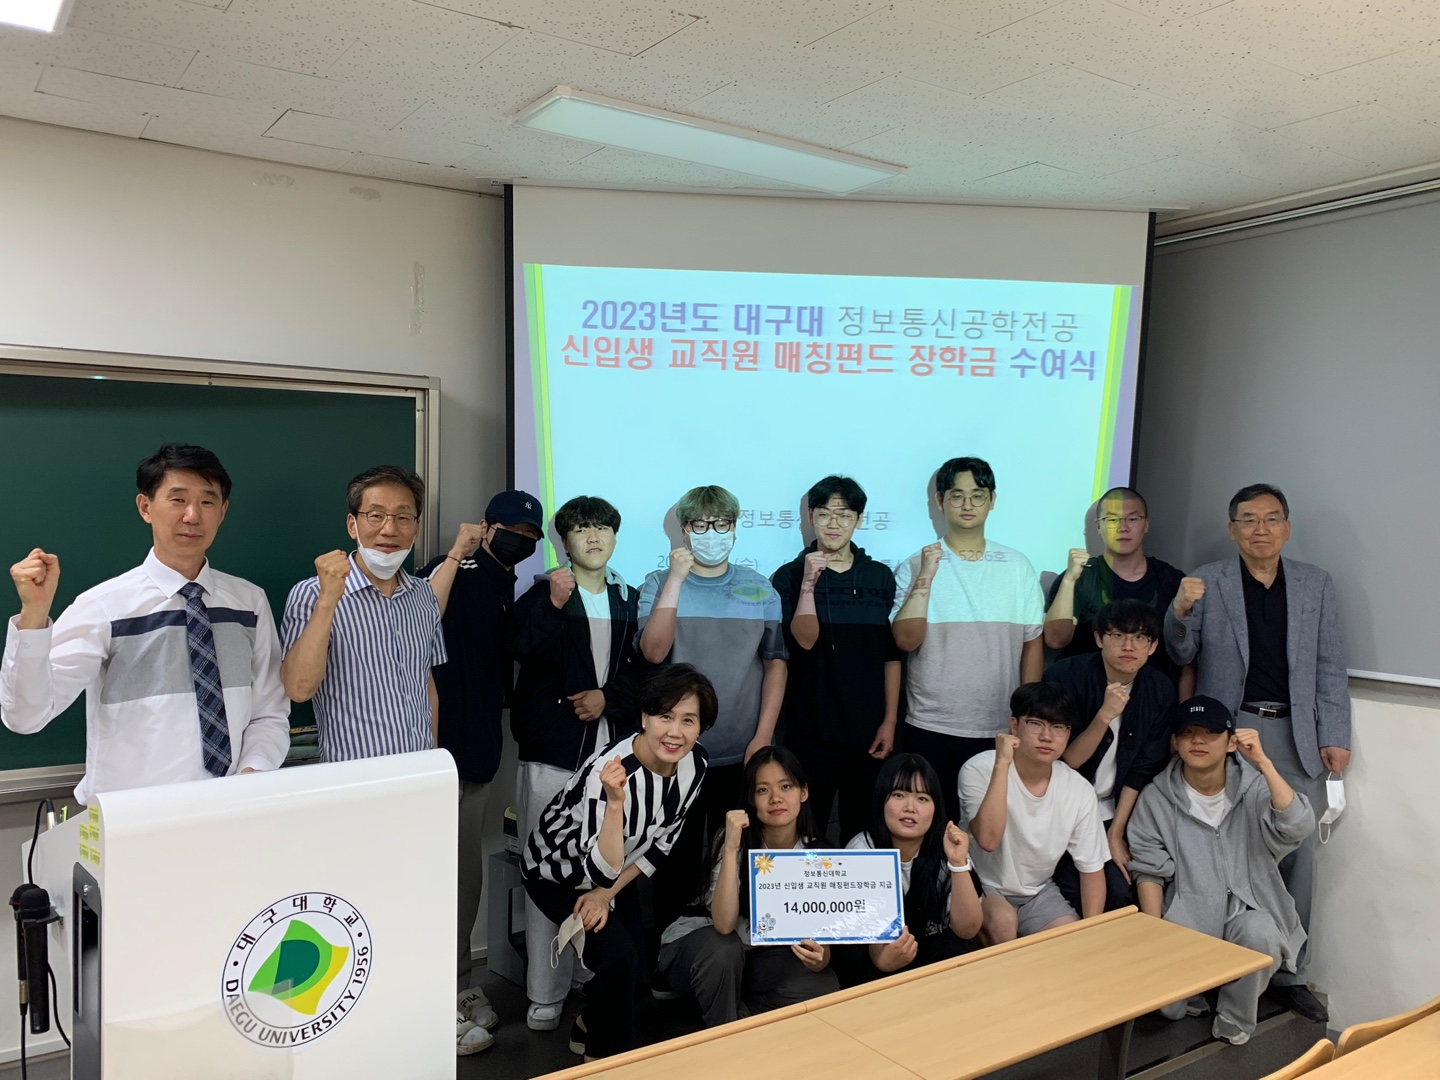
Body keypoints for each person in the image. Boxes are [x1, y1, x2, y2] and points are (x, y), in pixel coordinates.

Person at [2, 444, 289, 803]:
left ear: (222, 512)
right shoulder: (104, 606)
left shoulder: (248, 603)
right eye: (177, 499)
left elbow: (269, 714)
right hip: (134, 818)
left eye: (207, 501)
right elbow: (26, 716)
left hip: (231, 809)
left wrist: (253, 773)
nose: (192, 516)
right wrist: (33, 616)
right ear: (145, 507)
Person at [1163, 483, 1346, 1024]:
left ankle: (1290, 975)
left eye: (1271, 519)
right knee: (1219, 847)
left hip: (1294, 733)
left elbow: (1330, 665)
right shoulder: (1209, 579)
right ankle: (1218, 968)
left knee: (1299, 852)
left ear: (1287, 527)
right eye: (1248, 519)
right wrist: (1178, 609)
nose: (1260, 529)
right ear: (1232, 529)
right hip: (1230, 728)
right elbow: (1180, 650)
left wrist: (1335, 733)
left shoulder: (1315, 584)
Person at [522, 664, 714, 1062]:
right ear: (644, 717)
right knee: (618, 959)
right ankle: (604, 1060)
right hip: (557, 872)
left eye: (688, 720)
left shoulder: (696, 765)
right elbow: (598, 869)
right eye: (664, 716)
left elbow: (661, 846)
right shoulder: (608, 772)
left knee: (639, 973)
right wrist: (614, 804)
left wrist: (605, 895)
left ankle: (587, 1024)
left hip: (613, 873)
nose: (675, 732)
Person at [418, 488, 544, 1054]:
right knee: (435, 877)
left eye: (531, 536)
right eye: (512, 531)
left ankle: (457, 985)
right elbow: (419, 622)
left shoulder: (508, 586)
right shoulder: (450, 571)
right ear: (487, 526)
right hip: (430, 754)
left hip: (479, 752)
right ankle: (435, 996)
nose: (522, 542)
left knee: (465, 876)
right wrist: (454, 555)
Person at [509, 495, 640, 1034]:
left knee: (600, 871)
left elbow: (646, 671)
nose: (593, 537)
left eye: (602, 528)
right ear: (564, 541)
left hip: (613, 756)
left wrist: (609, 699)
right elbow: (520, 651)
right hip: (554, 753)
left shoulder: (629, 597)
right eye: (581, 529)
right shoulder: (543, 592)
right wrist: (554, 605)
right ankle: (545, 991)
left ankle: (589, 974)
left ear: (614, 537)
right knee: (547, 871)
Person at [637, 485, 786, 934]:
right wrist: (676, 580)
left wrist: (763, 737)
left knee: (735, 860)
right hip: (675, 754)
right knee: (672, 864)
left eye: (722, 524)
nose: (712, 533)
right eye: (700, 525)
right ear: (685, 530)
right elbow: (653, 651)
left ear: (735, 529)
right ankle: (668, 953)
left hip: (740, 753)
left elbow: (775, 664)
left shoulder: (760, 588)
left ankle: (737, 951)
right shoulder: (657, 584)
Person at [1128, 698, 1316, 1046]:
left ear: (1231, 743)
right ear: (1175, 742)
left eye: (1211, 733)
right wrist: (1154, 937)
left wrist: (1264, 763)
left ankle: (1233, 1017)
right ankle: (1194, 994)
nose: (1198, 741)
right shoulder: (1156, 797)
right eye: (1188, 733)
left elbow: (1298, 826)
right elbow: (1149, 870)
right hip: (1190, 919)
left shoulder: (1254, 787)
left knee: (1261, 934)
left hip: (1250, 911)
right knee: (1168, 1009)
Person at [892, 456, 1045, 823]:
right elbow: (906, 640)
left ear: (992, 500)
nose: (967, 505)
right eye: (957, 495)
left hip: (999, 725)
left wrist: (1028, 717)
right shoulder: (915, 565)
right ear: (940, 501)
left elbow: (1032, 644)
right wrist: (927, 577)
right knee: (930, 826)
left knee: (990, 829)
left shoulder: (1017, 566)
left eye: (977, 495)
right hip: (930, 724)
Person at [656, 746, 839, 1026]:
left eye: (786, 786)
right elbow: (724, 925)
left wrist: (820, 958)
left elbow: (820, 937)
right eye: (763, 790)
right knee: (724, 949)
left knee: (823, 985)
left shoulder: (818, 853)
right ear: (752, 799)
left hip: (757, 958)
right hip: (702, 950)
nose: (776, 798)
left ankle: (739, 1007)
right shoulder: (733, 839)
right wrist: (731, 848)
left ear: (803, 792)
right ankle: (725, 1032)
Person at [280, 464, 445, 762]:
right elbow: (298, 690)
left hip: (419, 770)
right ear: (352, 525)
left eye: (403, 517)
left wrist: (432, 757)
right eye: (376, 515)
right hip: (355, 776)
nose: (389, 529)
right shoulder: (312, 594)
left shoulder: (423, 594)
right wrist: (328, 601)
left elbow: (426, 681)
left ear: (417, 528)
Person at [771, 476, 901, 842]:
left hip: (868, 735)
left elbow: (891, 657)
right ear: (810, 517)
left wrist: (890, 721)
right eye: (825, 513)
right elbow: (804, 641)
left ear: (858, 520)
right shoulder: (789, 576)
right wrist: (808, 584)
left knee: (862, 833)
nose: (833, 523)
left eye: (844, 515)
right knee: (805, 832)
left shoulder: (879, 576)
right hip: (808, 734)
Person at [1045, 599, 1176, 912]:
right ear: (1099, 638)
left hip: (1112, 813)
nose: (1128, 646)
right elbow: (1067, 761)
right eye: (1118, 636)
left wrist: (1116, 834)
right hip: (1061, 807)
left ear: (1153, 646)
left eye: (1140, 638)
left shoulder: (1159, 689)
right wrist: (1104, 716)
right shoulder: (1066, 677)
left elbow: (1142, 770)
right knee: (1075, 889)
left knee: (1121, 890)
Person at [959, 683, 1108, 944]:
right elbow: (988, 840)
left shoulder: (1079, 790)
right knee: (1004, 924)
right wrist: (1002, 764)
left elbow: (1092, 868)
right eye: (1036, 724)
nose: (1047, 736)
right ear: (1014, 726)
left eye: (1058, 727)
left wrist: (1091, 933)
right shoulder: (979, 769)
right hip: (980, 881)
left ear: (1068, 733)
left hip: (1037, 890)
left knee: (1071, 938)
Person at [836, 753, 982, 984]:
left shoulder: (948, 845)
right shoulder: (862, 850)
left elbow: (968, 930)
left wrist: (958, 863)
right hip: (876, 954)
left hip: (929, 949)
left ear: (936, 808)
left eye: (922, 798)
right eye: (899, 795)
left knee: (961, 949)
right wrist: (883, 960)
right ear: (881, 801)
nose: (910, 808)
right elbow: (866, 941)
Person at [1043, 486, 1187, 686]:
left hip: (1150, 696)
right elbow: (1055, 640)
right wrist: (1069, 580)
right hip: (1084, 692)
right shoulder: (1081, 576)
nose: (1122, 527)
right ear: (1098, 526)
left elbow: (1184, 653)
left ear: (1146, 525)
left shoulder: (1170, 580)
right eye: (1112, 520)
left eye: (1133, 519)